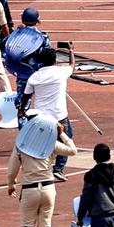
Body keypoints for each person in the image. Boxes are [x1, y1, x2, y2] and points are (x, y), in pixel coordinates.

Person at [6, 114, 78, 227]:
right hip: (48, 188)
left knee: (27, 226)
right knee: (45, 225)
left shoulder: (21, 145)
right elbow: (73, 151)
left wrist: (11, 184)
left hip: (29, 189)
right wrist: (62, 134)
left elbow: (12, 170)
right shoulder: (51, 144)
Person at [21, 42, 77, 181]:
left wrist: (22, 109)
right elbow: (72, 66)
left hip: (40, 116)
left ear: (40, 61)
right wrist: (70, 51)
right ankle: (58, 168)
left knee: (40, 141)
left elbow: (26, 96)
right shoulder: (61, 72)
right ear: (55, 60)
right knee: (66, 138)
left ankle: (40, 167)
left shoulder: (34, 77)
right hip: (59, 115)